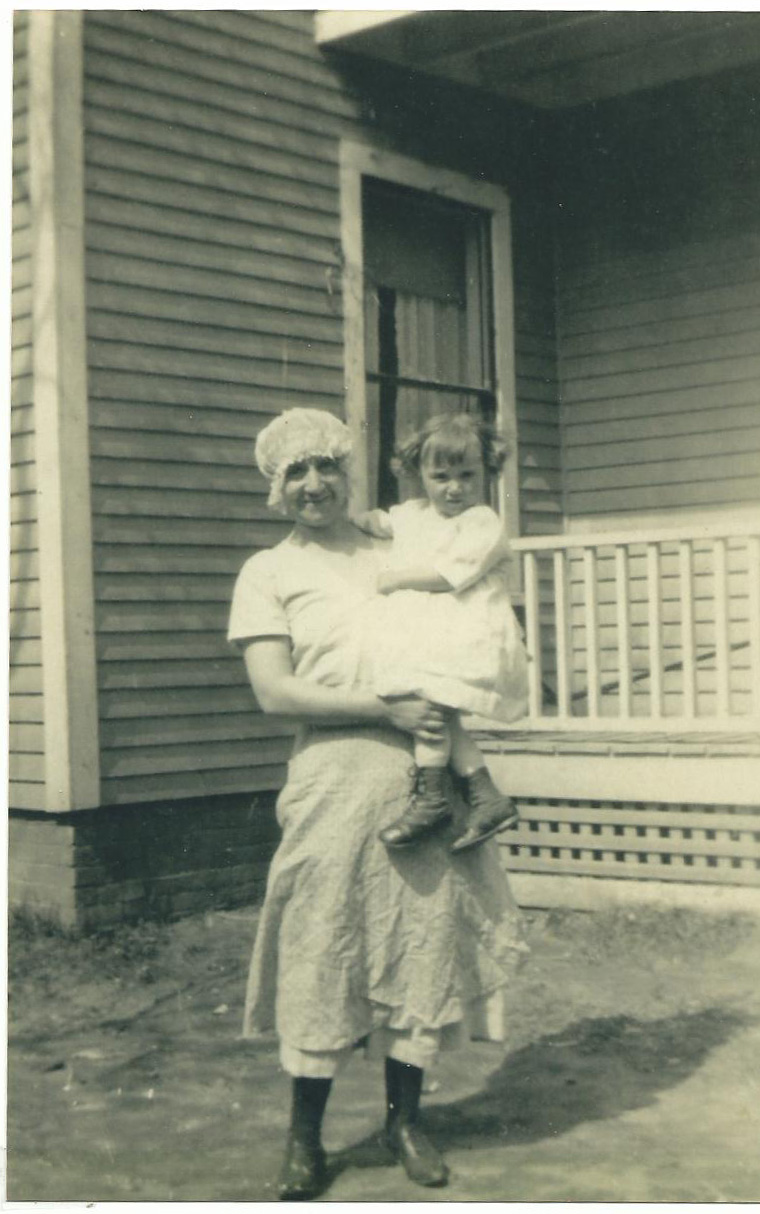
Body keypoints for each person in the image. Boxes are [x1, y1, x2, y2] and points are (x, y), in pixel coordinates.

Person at [228, 408, 527, 1200]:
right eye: (296, 473)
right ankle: (303, 1140)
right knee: (323, 950)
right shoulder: (269, 571)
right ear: (276, 489)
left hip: (423, 779)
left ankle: (403, 1121)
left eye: (327, 466)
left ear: (349, 473)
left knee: (419, 948)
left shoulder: (400, 542)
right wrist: (381, 707)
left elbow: (476, 580)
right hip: (332, 777)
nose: (314, 483)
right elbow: (274, 692)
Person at [354, 413, 529, 853]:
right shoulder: (414, 514)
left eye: (467, 475)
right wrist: (352, 522)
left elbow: (451, 575)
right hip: (432, 636)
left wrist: (395, 578)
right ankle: (486, 797)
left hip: (467, 633)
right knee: (438, 713)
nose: (454, 488)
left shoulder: (482, 523)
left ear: (487, 473)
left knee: (429, 710)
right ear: (419, 476)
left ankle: (432, 798)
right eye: (441, 477)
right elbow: (377, 522)